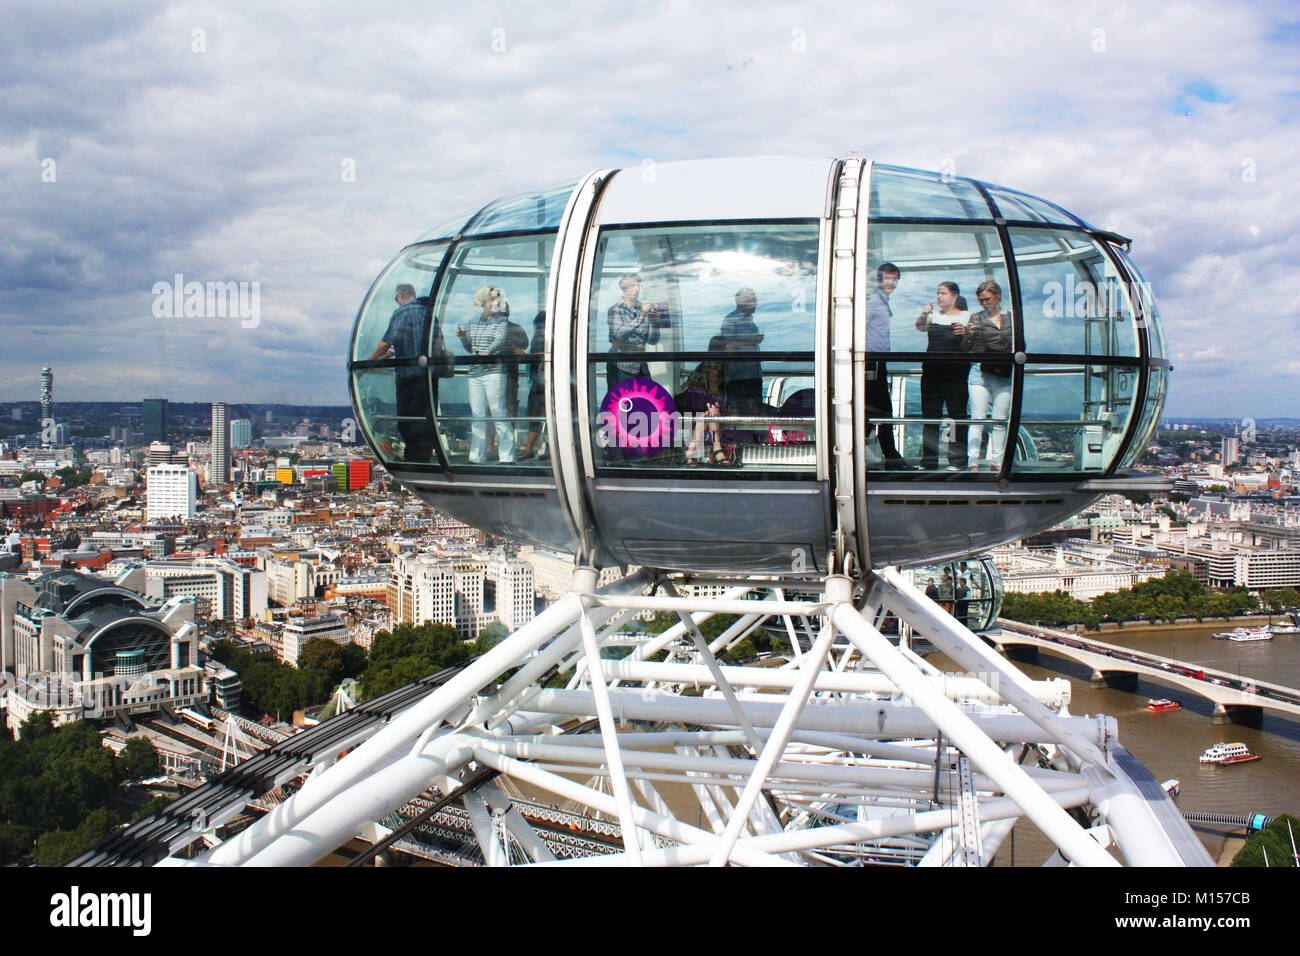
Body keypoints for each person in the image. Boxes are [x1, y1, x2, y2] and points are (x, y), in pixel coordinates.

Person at [367, 282, 438, 461]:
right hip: (429, 376)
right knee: (426, 418)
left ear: (400, 297)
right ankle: (424, 456)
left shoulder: (402, 312)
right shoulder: (429, 312)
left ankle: (414, 458)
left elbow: (387, 341)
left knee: (407, 419)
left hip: (408, 376)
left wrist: (370, 361)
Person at [916, 281, 970, 470]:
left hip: (956, 375)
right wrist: (924, 313)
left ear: (954, 296)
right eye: (938, 293)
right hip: (932, 374)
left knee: (956, 419)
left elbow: (974, 341)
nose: (939, 296)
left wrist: (967, 332)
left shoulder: (966, 316)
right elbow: (920, 327)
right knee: (930, 418)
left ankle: (957, 461)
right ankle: (929, 461)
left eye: (943, 293)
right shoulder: (934, 316)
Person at [456, 285, 514, 463]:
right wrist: (464, 338)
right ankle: (476, 456)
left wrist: (486, 352)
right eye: (492, 299)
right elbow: (470, 348)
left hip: (493, 372)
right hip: (475, 372)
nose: (496, 302)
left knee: (498, 412)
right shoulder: (473, 321)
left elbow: (499, 340)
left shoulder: (501, 321)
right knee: (478, 414)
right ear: (483, 301)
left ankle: (507, 457)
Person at [963, 280, 1014, 472]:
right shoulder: (975, 318)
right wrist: (969, 335)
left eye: (988, 299)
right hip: (981, 371)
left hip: (1003, 371)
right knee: (978, 419)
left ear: (998, 296)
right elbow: (965, 348)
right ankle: (973, 462)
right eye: (982, 300)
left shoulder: (1011, 318)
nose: (985, 303)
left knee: (999, 420)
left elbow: (1018, 342)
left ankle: (997, 462)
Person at [865, 262, 907, 468]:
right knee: (882, 411)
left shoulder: (881, 301)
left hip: (877, 363)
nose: (891, 282)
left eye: (894, 279)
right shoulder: (873, 301)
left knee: (876, 411)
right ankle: (891, 458)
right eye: (887, 278)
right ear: (879, 279)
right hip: (869, 363)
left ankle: (890, 456)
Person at [606, 273, 660, 388]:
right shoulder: (615, 310)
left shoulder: (644, 308)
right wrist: (640, 317)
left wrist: (654, 321)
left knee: (648, 401)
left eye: (638, 286)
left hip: (641, 365)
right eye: (633, 285)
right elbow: (617, 335)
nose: (637, 289)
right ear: (623, 288)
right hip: (620, 366)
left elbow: (652, 340)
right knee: (621, 403)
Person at [719, 287, 765, 413]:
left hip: (754, 376)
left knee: (755, 413)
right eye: (753, 300)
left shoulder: (749, 319)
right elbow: (727, 347)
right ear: (742, 302)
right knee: (740, 414)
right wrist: (751, 340)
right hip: (739, 378)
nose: (756, 303)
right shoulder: (731, 320)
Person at [519, 311, 547, 460]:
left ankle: (529, 449)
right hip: (541, 381)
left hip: (542, 382)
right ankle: (544, 448)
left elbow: (548, 354)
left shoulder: (541, 337)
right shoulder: (546, 335)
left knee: (536, 414)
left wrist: (524, 355)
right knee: (544, 415)